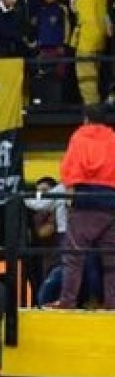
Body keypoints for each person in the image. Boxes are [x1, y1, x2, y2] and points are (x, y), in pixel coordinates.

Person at [58, 104, 115, 309]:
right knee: (112, 262)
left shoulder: (80, 137)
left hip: (85, 202)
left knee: (74, 258)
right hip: (111, 203)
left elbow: (70, 169)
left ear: (86, 119)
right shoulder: (112, 138)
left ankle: (67, 302)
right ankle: (112, 304)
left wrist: (70, 201)